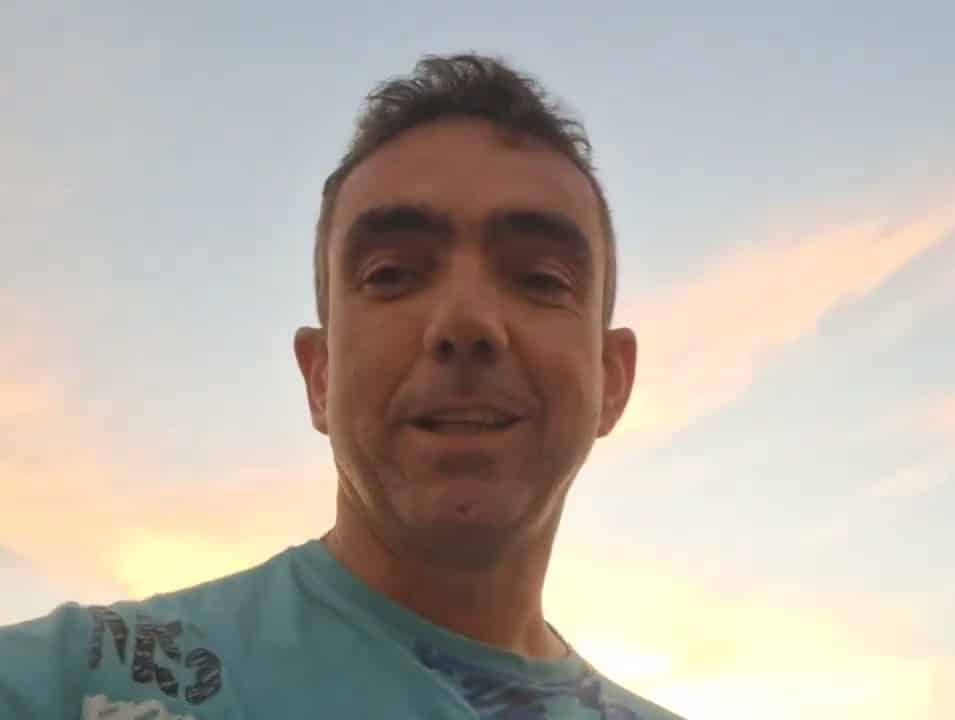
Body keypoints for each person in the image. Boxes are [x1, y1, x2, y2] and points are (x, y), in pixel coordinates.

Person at [0, 53, 684, 720]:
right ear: (320, 376)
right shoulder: (68, 685)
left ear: (611, 378)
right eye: (391, 274)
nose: (466, 321)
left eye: (541, 279)